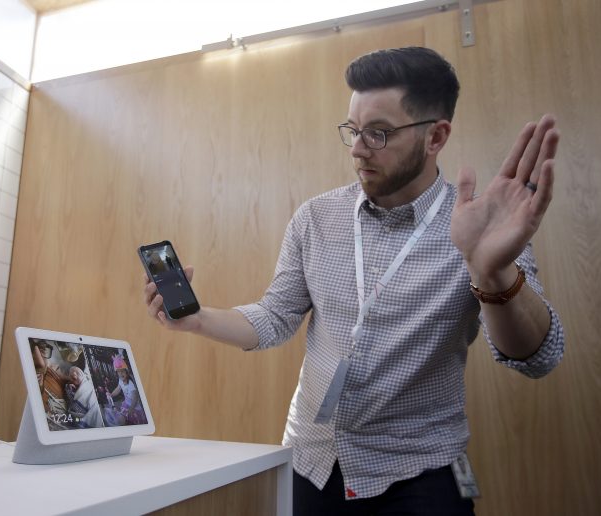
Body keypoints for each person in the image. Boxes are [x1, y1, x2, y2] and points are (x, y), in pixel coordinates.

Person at [142, 47, 564, 515]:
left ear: (436, 136)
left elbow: (537, 357)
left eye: (379, 134)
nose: (359, 149)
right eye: (354, 131)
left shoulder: (482, 227)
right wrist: (199, 319)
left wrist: (492, 271)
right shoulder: (315, 218)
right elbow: (275, 317)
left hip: (418, 473)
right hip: (313, 462)